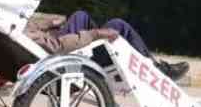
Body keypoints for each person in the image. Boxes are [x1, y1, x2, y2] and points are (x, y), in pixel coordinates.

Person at [25, 10, 190, 81]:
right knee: (118, 25)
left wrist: (49, 23)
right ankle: (156, 70)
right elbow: (56, 46)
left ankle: (148, 63)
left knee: (80, 16)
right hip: (68, 61)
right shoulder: (19, 30)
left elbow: (36, 31)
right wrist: (96, 34)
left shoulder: (14, 27)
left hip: (58, 54)